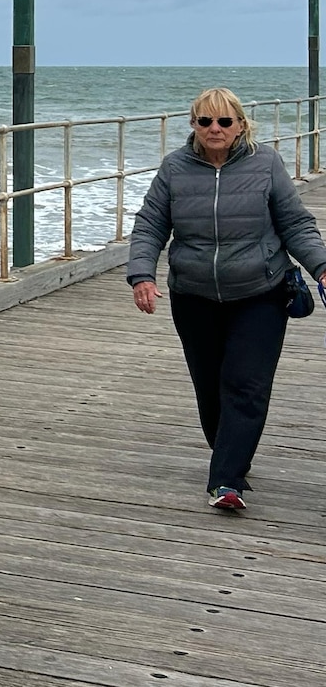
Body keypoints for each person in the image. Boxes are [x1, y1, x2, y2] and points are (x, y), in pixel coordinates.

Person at [127, 87, 326, 511]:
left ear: (240, 125)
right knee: (210, 387)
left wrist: (322, 266)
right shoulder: (175, 167)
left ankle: (226, 481)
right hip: (194, 294)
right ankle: (232, 451)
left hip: (260, 292)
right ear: (193, 125)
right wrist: (141, 275)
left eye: (223, 121)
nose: (214, 129)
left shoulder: (266, 163)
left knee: (246, 384)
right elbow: (149, 225)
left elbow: (295, 223)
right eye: (205, 121)